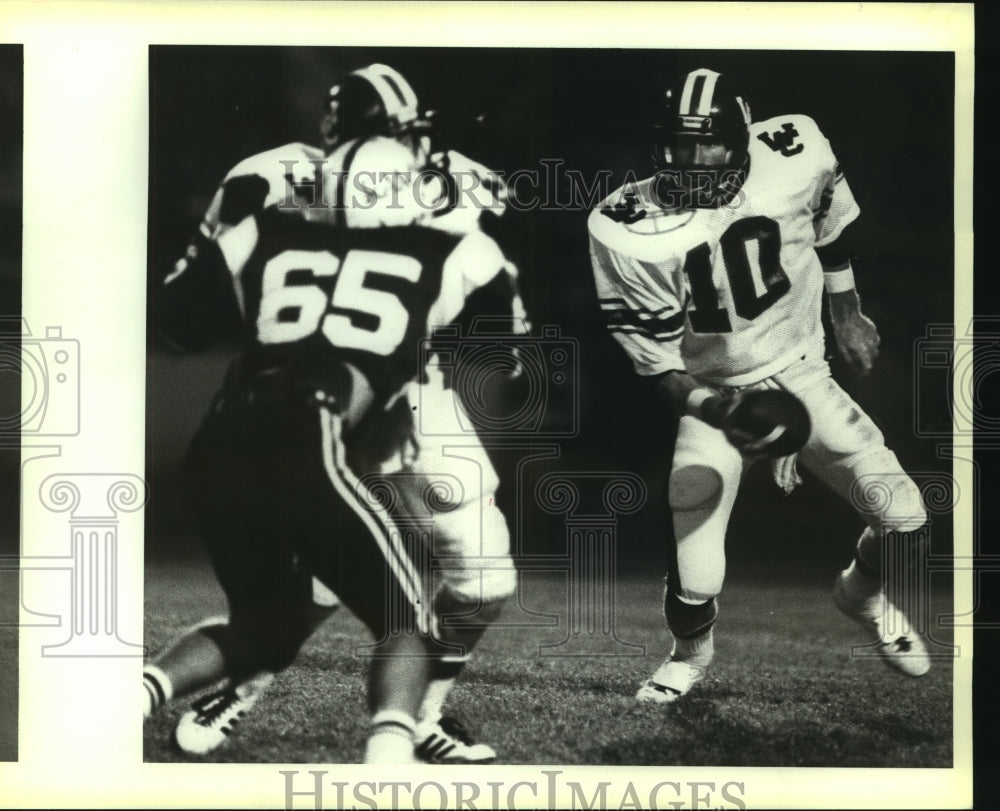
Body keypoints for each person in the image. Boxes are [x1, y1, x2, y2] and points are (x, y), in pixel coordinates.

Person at [144, 64, 521, 762]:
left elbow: (187, 308)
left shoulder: (442, 183)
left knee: (485, 576)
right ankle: (252, 682)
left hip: (412, 388)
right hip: (317, 386)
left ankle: (424, 711)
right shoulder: (269, 179)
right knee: (338, 555)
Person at [588, 67, 931, 705]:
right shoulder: (624, 222)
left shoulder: (796, 148)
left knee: (907, 522)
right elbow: (660, 367)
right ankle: (689, 657)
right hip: (714, 393)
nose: (691, 159)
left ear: (742, 138)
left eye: (708, 142)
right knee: (697, 576)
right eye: (677, 142)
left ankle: (861, 590)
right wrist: (736, 415)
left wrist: (845, 307)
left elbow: (827, 220)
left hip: (802, 368)